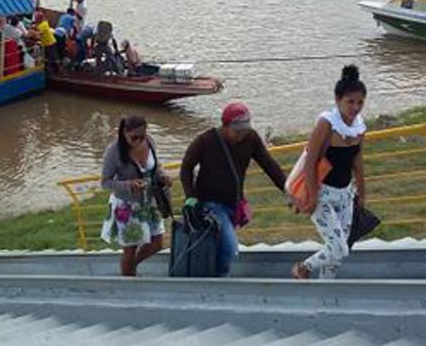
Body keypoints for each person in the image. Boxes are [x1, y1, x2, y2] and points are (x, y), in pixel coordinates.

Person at [179, 102, 287, 276]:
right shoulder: (205, 141)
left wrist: (288, 190)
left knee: (218, 246)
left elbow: (268, 164)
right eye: (237, 132)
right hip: (210, 204)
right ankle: (218, 279)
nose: (241, 136)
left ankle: (210, 275)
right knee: (230, 249)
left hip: (233, 204)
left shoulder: (250, 138)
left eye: (244, 131)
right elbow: (186, 168)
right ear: (225, 125)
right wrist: (190, 197)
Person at [292, 65, 368, 280]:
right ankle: (303, 268)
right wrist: (312, 196)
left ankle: (325, 291)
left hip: (345, 194)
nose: (355, 107)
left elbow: (357, 159)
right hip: (322, 194)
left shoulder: (360, 127)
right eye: (350, 101)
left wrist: (362, 191)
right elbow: (310, 160)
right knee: (339, 248)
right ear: (337, 100)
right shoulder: (326, 124)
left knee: (337, 255)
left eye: (360, 102)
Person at [101, 115, 171, 276]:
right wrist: (129, 185)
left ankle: (131, 268)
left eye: (142, 136)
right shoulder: (114, 151)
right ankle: (129, 280)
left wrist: (162, 175)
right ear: (124, 133)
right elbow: (105, 182)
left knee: (157, 243)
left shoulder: (149, 142)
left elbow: (155, 167)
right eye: (134, 137)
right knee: (130, 249)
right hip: (127, 205)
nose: (139, 140)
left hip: (149, 203)